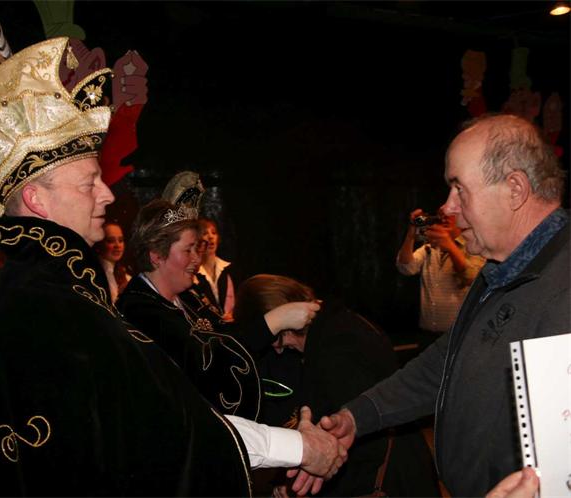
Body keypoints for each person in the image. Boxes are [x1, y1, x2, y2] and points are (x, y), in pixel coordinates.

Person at [0, 37, 345, 496]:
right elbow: (163, 424)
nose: (107, 195)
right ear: (37, 200)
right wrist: (299, 447)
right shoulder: (52, 300)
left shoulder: (43, 285)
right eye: (89, 183)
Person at [321, 113, 569, 496]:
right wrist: (358, 416)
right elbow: (447, 362)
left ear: (515, 189)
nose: (448, 207)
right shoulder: (499, 271)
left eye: (459, 188)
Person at [235, 274, 439, 497]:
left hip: (390, 480)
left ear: (284, 324)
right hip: (394, 469)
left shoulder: (335, 348)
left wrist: (303, 479)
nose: (277, 349)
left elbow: (361, 442)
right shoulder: (333, 325)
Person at [117, 199, 320, 420]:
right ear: (157, 256)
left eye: (197, 248)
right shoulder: (138, 309)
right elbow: (204, 365)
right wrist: (274, 322)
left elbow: (227, 337)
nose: (197, 258)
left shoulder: (189, 296)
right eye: (188, 250)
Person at [396, 206, 485, 348]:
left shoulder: (472, 247)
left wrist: (450, 246)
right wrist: (411, 234)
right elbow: (406, 268)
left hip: (458, 336)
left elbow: (471, 277)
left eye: (450, 214)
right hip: (427, 337)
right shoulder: (429, 248)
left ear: (463, 218)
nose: (444, 217)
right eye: (440, 215)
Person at [196, 218, 236, 319]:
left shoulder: (229, 269)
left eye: (213, 233)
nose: (210, 237)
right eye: (205, 233)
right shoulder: (194, 274)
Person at [92, 221, 131, 303]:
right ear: (99, 244)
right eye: (110, 241)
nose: (117, 245)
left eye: (120, 240)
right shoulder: (93, 275)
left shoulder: (126, 276)